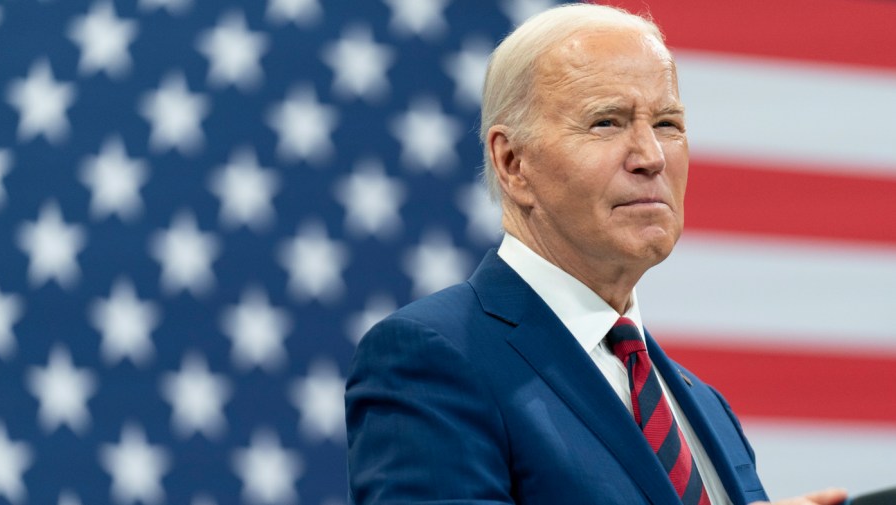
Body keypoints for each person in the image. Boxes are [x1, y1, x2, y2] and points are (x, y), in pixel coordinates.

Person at [345, 4, 848, 505]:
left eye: (668, 123)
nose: (651, 156)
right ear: (513, 162)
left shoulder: (706, 407)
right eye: (607, 122)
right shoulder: (432, 358)